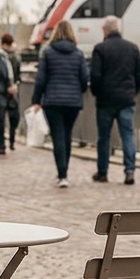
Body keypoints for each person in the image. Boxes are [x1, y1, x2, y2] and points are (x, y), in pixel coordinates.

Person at [29, 21, 88, 188]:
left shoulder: (48, 53)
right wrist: (78, 91)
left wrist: (36, 100)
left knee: (58, 137)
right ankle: (65, 172)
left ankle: (62, 174)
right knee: (67, 135)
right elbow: (84, 78)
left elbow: (41, 79)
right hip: (73, 102)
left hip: (53, 101)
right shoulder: (78, 54)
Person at [90, 15, 140, 185]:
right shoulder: (132, 48)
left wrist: (97, 92)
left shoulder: (100, 49)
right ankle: (130, 171)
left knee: (104, 137)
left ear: (106, 30)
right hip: (126, 99)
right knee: (127, 135)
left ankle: (102, 172)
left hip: (105, 100)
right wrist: (133, 91)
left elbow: (95, 76)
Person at [0, 33, 23, 151]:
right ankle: (10, 141)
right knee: (13, 117)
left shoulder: (3, 57)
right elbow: (19, 75)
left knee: (4, 118)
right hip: (11, 91)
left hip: (5, 92)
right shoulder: (15, 57)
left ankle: (5, 141)